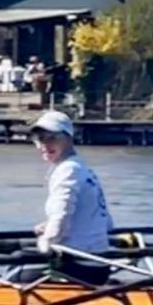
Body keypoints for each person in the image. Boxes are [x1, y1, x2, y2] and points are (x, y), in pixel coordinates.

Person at [28, 110, 115, 285]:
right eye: (39, 138)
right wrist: (49, 225)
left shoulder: (67, 171)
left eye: (51, 138)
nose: (43, 145)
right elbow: (107, 223)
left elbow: (59, 225)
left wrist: (44, 242)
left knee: (18, 264)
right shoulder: (84, 169)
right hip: (98, 264)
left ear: (68, 138)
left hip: (78, 267)